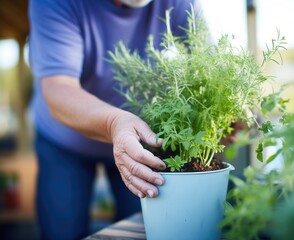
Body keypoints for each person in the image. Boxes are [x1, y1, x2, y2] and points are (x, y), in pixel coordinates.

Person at [28, 0, 201, 239]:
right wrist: (114, 123)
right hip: (65, 141)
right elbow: (58, 88)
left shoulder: (180, 3)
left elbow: (206, 64)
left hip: (138, 141)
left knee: (141, 230)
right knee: (62, 230)